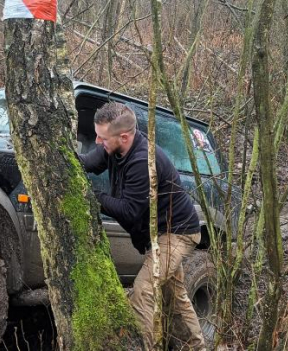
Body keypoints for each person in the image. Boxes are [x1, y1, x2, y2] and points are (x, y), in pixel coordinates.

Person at [77, 102, 205, 350]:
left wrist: (94, 196)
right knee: (175, 297)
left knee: (143, 290)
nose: (98, 141)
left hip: (177, 233)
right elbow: (86, 163)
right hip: (159, 233)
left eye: (102, 138)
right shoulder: (113, 147)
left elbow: (129, 211)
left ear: (123, 137)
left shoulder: (142, 161)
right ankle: (195, 346)